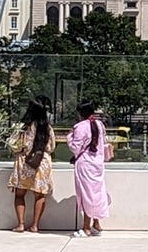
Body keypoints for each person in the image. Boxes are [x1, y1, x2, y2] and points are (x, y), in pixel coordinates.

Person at [8, 100, 56, 232]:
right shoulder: (47, 127)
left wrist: (22, 149)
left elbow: (12, 144)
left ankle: (21, 224)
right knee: (39, 195)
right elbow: (51, 147)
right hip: (42, 162)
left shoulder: (23, 126)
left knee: (19, 194)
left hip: (24, 161)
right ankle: (35, 225)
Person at [67, 101, 112, 237]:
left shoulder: (80, 127)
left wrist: (69, 136)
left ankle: (86, 227)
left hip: (85, 164)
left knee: (86, 194)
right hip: (97, 163)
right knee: (97, 192)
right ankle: (96, 223)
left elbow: (75, 147)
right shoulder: (99, 125)